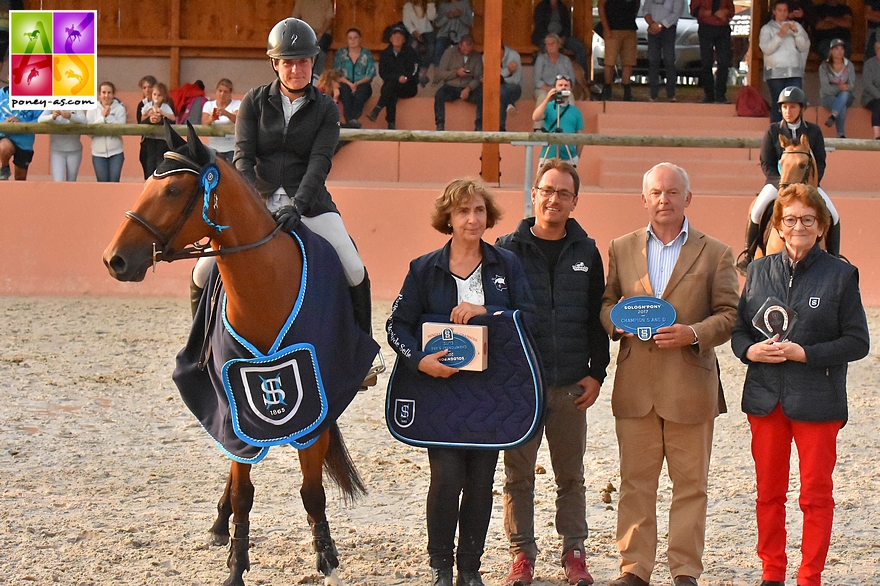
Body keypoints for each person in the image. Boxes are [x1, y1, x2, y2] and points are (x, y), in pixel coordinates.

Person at [385, 178, 534, 586]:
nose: (472, 218)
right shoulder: (423, 268)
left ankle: (470, 568)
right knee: (447, 478)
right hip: (440, 391)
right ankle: (440, 569)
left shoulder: (507, 264)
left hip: (492, 393)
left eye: (479, 210)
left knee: (482, 480)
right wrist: (419, 361)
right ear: (448, 218)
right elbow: (396, 326)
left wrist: (486, 309)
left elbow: (530, 316)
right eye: (463, 211)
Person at [600, 162, 739, 586]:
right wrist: (614, 323)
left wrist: (693, 333)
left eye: (673, 192)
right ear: (644, 199)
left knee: (691, 486)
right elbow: (606, 304)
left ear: (687, 199)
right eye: (656, 193)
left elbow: (731, 315)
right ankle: (635, 569)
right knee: (635, 483)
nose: (664, 200)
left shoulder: (716, 252)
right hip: (636, 385)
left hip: (690, 385)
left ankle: (684, 571)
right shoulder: (620, 248)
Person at [730, 183, 869, 586]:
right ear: (779, 225)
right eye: (790, 219)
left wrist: (805, 354)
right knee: (768, 495)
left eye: (807, 219)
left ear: (821, 226)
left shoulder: (841, 275)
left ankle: (810, 577)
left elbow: (858, 342)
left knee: (815, 496)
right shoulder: (757, 270)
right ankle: (772, 573)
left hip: (818, 400)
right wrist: (749, 353)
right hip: (765, 399)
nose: (798, 226)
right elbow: (741, 331)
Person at [497, 159, 609, 586]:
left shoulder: (587, 252)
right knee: (518, 475)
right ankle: (521, 554)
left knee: (571, 476)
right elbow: (497, 318)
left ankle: (574, 552)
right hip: (522, 387)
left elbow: (594, 317)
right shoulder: (506, 248)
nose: (554, 199)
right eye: (547, 190)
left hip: (569, 386)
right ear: (534, 194)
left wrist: (597, 372)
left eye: (563, 193)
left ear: (575, 201)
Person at [232, 17, 373, 341]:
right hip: (260, 200)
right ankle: (199, 350)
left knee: (353, 266)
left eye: (303, 61)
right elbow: (243, 157)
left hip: (309, 204)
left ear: (312, 63)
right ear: (275, 64)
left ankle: (363, 349)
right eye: (288, 62)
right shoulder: (253, 101)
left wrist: (299, 204)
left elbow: (320, 162)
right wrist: (251, 205)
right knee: (204, 270)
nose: (296, 69)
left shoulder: (325, 108)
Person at [737, 86, 840, 274]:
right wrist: (782, 183)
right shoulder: (773, 130)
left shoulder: (814, 132)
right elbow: (766, 163)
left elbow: (821, 162)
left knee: (833, 214)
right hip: (778, 183)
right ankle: (749, 254)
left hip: (809, 185)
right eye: (784, 107)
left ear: (801, 109)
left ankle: (835, 258)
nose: (788, 111)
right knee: (758, 210)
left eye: (792, 107)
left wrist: (811, 186)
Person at [759, 0, 810, 124]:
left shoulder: (796, 26)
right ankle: (777, 135)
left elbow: (804, 46)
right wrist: (780, 35)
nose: (782, 13)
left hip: (794, 72)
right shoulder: (767, 29)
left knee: (795, 103)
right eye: (779, 10)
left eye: (785, 10)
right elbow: (766, 48)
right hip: (775, 73)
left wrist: (796, 34)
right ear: (774, 11)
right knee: (779, 104)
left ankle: (795, 134)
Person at [368, 24, 419, 130]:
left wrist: (406, 78)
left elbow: (415, 69)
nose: (397, 39)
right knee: (391, 92)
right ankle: (391, 124)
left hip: (408, 86)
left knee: (389, 89)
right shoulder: (385, 54)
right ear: (390, 39)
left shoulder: (411, 52)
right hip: (392, 85)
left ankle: (378, 109)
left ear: (404, 39)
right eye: (394, 37)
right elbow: (383, 73)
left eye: (400, 37)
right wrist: (397, 78)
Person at [433, 34, 483, 131]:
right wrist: (456, 73)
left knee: (482, 97)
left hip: (468, 86)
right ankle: (440, 125)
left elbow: (478, 77)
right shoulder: (449, 53)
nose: (466, 52)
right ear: (460, 45)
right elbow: (441, 73)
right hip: (451, 85)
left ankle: (479, 126)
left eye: (468, 50)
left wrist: (468, 88)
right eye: (464, 49)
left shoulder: (477, 56)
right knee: (439, 95)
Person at [530, 0, 590, 80]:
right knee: (554, 49)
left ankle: (583, 79)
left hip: (561, 37)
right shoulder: (541, 7)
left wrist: (563, 37)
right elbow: (539, 28)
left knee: (580, 47)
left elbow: (567, 26)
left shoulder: (562, 7)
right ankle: (555, 80)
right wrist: (552, 39)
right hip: (544, 37)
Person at [533, 75, 583, 167]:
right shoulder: (548, 107)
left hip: (569, 157)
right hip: (548, 155)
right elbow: (536, 117)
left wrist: (576, 158)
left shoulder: (576, 112)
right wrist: (547, 98)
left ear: (570, 89)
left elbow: (580, 137)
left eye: (566, 85)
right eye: (560, 85)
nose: (563, 87)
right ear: (555, 88)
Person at [690, 0, 734, 104]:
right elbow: (693, 10)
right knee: (706, 62)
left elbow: (731, 10)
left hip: (723, 28)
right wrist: (706, 13)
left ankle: (721, 95)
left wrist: (725, 12)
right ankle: (708, 94)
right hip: (706, 27)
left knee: (723, 62)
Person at [597, 0, 639, 102]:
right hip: (612, 29)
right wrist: (606, 28)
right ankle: (607, 89)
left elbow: (637, 4)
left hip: (630, 29)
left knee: (628, 62)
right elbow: (601, 6)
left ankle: (627, 91)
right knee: (609, 62)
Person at [333, 28, 375, 128]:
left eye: (355, 38)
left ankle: (351, 122)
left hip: (363, 83)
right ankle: (352, 122)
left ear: (360, 39)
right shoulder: (340, 53)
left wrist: (357, 83)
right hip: (345, 83)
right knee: (346, 94)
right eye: (350, 38)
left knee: (360, 94)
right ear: (347, 40)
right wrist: (349, 83)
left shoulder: (366, 53)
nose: (353, 40)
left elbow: (370, 74)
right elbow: (336, 73)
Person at [86, 81, 127, 182]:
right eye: (104, 92)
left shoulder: (120, 109)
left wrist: (108, 117)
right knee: (102, 182)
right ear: (99, 94)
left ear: (113, 94)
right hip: (98, 153)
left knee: (114, 182)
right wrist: (102, 118)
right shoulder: (92, 109)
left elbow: (121, 129)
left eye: (109, 93)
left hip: (116, 152)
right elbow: (89, 131)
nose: (106, 95)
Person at [0, 84, 41, 181]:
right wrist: (4, 123)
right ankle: (4, 167)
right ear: (8, 77)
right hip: (5, 135)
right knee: (4, 147)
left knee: (20, 178)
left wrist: (23, 123)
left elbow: (41, 118)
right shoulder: (1, 95)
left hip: (25, 142)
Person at [644, 0, 683, 102]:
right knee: (653, 61)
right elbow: (645, 9)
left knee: (669, 60)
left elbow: (676, 13)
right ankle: (653, 94)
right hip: (652, 28)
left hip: (668, 29)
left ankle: (671, 94)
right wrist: (652, 24)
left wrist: (661, 25)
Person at [818, 38, 855, 139]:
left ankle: (833, 117)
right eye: (836, 49)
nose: (839, 52)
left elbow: (852, 86)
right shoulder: (824, 66)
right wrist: (840, 88)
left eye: (842, 49)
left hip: (846, 97)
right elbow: (825, 88)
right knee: (840, 105)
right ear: (831, 51)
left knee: (845, 94)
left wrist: (845, 88)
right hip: (827, 97)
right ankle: (841, 135)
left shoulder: (849, 65)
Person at [37, 108, 87, 182]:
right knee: (58, 181)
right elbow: (40, 119)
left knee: (71, 181)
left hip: (74, 150)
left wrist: (71, 117)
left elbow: (84, 121)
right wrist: (52, 116)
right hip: (57, 151)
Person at [138, 81, 175, 179]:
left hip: (162, 140)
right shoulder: (147, 106)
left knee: (160, 161)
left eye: (159, 95)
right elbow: (141, 119)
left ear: (163, 97)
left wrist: (162, 114)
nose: (156, 98)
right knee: (150, 161)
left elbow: (173, 118)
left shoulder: (166, 107)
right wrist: (148, 116)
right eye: (154, 94)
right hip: (150, 138)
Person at [292, 0, 335, 77]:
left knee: (320, 49)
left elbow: (329, 19)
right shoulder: (301, 1)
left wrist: (321, 33)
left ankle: (316, 75)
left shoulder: (326, 2)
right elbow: (295, 19)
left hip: (323, 33)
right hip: (306, 33)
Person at [201, 78, 240, 162]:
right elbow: (203, 122)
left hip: (231, 148)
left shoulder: (237, 104)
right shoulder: (209, 105)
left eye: (225, 92)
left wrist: (226, 113)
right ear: (216, 91)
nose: (222, 94)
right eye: (220, 91)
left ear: (230, 93)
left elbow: (238, 120)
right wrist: (211, 119)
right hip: (214, 147)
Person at [403, 0, 436, 86]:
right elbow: (407, 22)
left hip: (428, 32)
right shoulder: (408, 6)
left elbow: (432, 17)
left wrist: (430, 3)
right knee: (413, 47)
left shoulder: (427, 5)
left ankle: (422, 71)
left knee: (431, 47)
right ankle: (415, 70)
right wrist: (415, 33)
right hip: (414, 32)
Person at [433, 0, 473, 68]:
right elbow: (437, 23)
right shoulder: (442, 5)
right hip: (445, 34)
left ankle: (464, 70)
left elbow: (470, 22)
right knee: (439, 47)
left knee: (465, 48)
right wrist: (447, 16)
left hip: (461, 35)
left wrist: (461, 15)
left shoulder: (465, 3)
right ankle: (438, 71)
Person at [499, 44, 522, 132]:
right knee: (500, 93)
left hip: (513, 88)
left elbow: (516, 80)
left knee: (501, 91)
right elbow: (489, 78)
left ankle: (500, 128)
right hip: (497, 90)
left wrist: (500, 78)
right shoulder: (486, 56)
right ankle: (510, 104)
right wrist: (507, 71)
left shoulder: (514, 55)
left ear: (502, 49)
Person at [862, 39, 880, 140]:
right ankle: (877, 135)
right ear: (877, 50)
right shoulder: (869, 64)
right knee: (878, 104)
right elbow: (867, 84)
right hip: (870, 97)